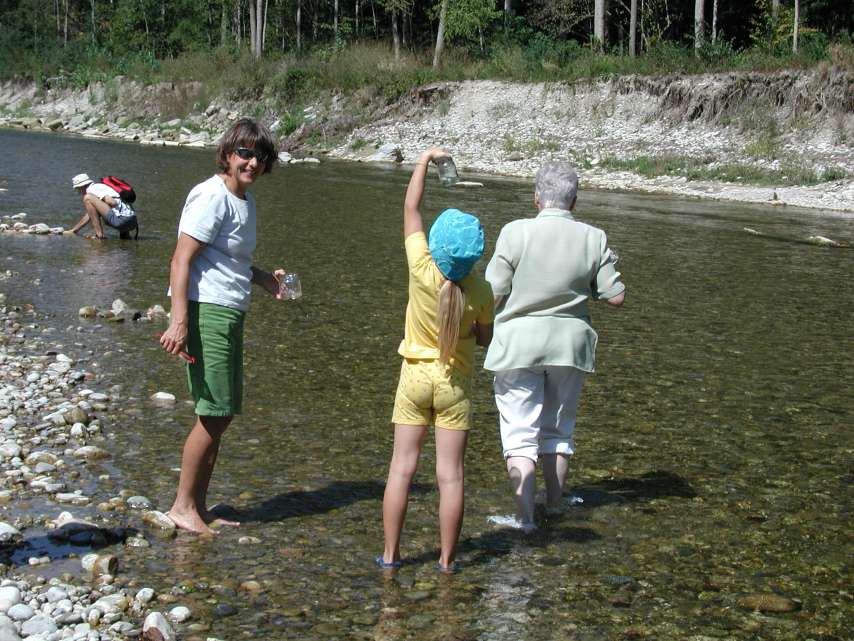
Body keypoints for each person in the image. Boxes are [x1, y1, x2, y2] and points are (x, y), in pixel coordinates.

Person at [484, 161, 625, 533]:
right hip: (569, 347)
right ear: (574, 202)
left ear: (536, 198)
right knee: (559, 432)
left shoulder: (514, 233)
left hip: (517, 345)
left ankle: (525, 519)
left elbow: (492, 295)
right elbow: (616, 296)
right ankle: (556, 504)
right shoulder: (595, 238)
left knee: (519, 435)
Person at [158, 118, 283, 534]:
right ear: (228, 153)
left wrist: (266, 280)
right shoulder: (211, 196)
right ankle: (181, 506)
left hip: (230, 311)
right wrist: (179, 322)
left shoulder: (242, 200)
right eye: (245, 153)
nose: (252, 162)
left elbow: (233, 262)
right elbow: (181, 259)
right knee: (213, 412)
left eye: (260, 156)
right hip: (205, 312)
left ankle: (199, 505)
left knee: (223, 412)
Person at [378, 148, 495, 572]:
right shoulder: (480, 293)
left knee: (401, 471)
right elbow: (485, 340)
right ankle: (446, 561)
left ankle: (391, 557)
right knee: (451, 477)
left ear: (435, 245)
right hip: (454, 385)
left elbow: (411, 207)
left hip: (413, 378)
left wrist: (425, 159)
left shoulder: (419, 267)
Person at [67, 174, 138, 240]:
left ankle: (99, 236)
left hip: (122, 221)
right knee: (119, 210)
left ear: (82, 187)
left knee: (87, 198)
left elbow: (112, 202)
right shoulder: (103, 187)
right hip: (133, 222)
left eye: (78, 189)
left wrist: (102, 209)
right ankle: (125, 236)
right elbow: (91, 214)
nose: (79, 192)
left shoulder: (92, 189)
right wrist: (74, 230)